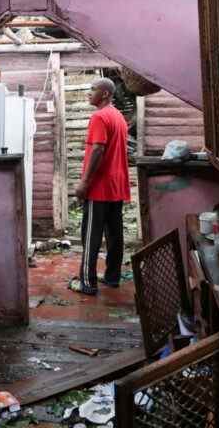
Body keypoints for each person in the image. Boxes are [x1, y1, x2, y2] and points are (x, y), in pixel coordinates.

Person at [70, 77, 131, 296]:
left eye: (93, 89)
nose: (89, 92)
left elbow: (97, 150)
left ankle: (87, 282)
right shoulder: (118, 117)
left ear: (105, 94)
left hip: (100, 187)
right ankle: (113, 277)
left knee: (91, 235)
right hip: (117, 186)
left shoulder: (99, 116)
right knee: (115, 234)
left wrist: (84, 182)